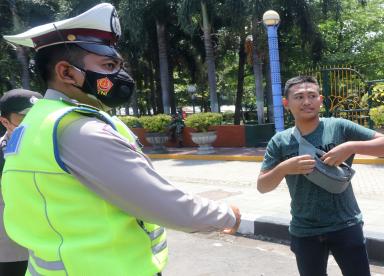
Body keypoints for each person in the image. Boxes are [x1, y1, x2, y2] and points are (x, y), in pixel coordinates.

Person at [1, 3, 240, 275]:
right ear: (66, 72)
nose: (120, 76)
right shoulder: (79, 129)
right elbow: (157, 200)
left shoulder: (38, 120)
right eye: (108, 65)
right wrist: (226, 215)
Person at [257, 76, 384, 276]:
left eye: (312, 96)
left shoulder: (339, 126)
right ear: (286, 103)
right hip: (304, 229)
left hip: (346, 224)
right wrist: (283, 168)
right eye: (299, 97)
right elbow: (262, 186)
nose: (306, 102)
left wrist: (350, 146)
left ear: (321, 100)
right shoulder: (279, 142)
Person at [0, 89, 42, 276]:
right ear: (5, 121)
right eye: (24, 117)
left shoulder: (61, 149)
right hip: (11, 251)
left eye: (39, 115)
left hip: (53, 248)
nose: (34, 122)